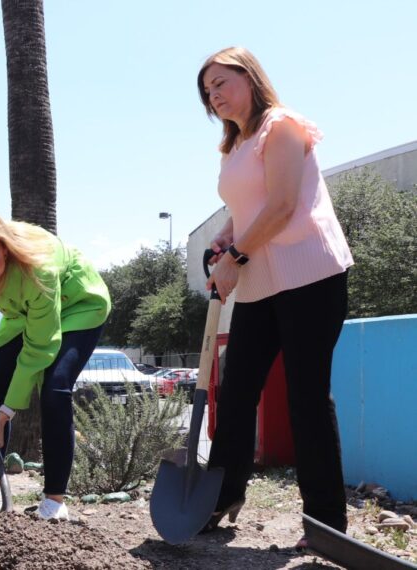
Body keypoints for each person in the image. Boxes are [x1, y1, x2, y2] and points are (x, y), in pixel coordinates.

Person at [198, 47, 353, 548]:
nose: (214, 95)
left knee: (306, 397)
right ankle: (220, 497)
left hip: (310, 276)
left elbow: (285, 204)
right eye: (207, 91)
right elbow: (250, 204)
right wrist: (226, 238)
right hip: (262, 283)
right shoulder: (236, 145)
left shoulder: (282, 126)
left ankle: (326, 525)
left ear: (250, 76)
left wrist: (233, 257)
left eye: (221, 82)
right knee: (238, 393)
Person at [0, 205, 110, 519]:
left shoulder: (37, 268)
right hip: (25, 312)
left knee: (55, 387)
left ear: (5, 248)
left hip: (77, 305)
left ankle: (54, 502)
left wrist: (4, 414)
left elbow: (37, 351)